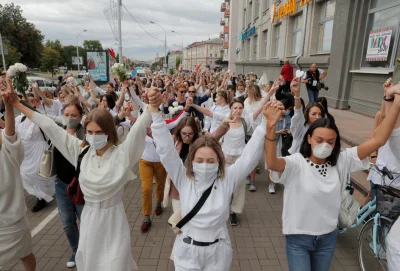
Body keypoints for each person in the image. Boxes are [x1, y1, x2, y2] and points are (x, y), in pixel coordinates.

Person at [8, 86, 157, 271]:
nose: (94, 137)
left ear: (110, 132)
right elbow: (49, 126)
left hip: (115, 224)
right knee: (91, 264)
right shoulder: (81, 151)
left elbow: (140, 127)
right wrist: (17, 104)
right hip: (90, 223)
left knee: (116, 265)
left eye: (100, 132)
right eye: (90, 132)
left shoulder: (122, 154)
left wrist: (152, 104)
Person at [264, 80, 400, 271]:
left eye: (331, 141)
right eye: (319, 140)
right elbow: (272, 163)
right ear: (309, 138)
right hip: (298, 239)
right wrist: (270, 129)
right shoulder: (297, 163)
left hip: (327, 239)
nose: (325, 145)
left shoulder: (342, 161)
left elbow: (379, 139)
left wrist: (394, 101)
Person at [146, 87, 268, 271]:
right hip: (187, 253)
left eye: (211, 160)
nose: (205, 164)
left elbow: (248, 159)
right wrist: (155, 113)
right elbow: (165, 150)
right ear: (191, 162)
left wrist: (266, 125)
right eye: (200, 160)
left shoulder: (227, 179)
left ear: (219, 161)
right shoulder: (183, 179)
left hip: (218, 254)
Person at [0, 78, 36, 271]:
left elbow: (10, 134)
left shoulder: (5, 146)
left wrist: (9, 106)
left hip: (10, 219)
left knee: (25, 252)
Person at [289, 78, 326, 154]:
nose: (317, 117)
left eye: (320, 114)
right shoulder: (301, 127)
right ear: (307, 115)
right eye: (314, 114)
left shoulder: (323, 128)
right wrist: (297, 95)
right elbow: (298, 112)